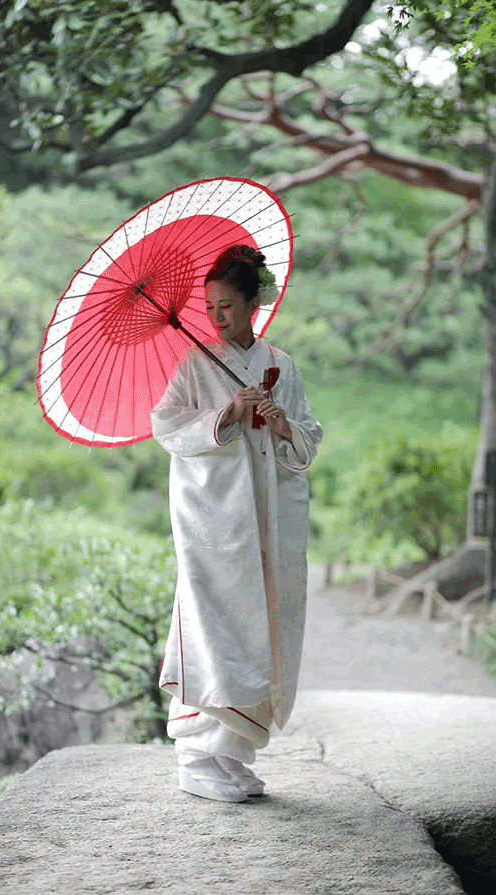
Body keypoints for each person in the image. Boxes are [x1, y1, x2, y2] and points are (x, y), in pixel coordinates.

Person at [150, 244, 323, 802]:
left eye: (227, 304)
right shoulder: (194, 366)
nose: (216, 316)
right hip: (214, 522)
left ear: (254, 302)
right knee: (215, 623)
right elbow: (166, 426)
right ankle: (196, 756)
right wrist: (224, 414)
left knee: (262, 622)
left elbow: (309, 439)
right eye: (210, 306)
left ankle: (230, 754)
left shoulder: (282, 365)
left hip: (270, 516)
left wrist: (281, 424)